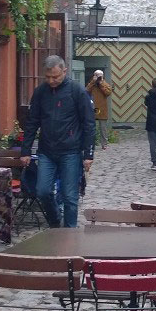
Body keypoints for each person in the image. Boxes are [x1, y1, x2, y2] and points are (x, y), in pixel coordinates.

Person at [21, 55, 95, 227]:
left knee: (70, 196)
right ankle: (55, 222)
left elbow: (89, 124)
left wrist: (88, 154)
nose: (51, 80)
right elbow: (32, 122)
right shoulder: (40, 92)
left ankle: (69, 234)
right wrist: (25, 150)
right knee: (42, 191)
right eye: (47, 77)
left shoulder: (77, 91)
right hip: (47, 151)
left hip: (71, 151)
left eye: (55, 77)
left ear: (64, 71)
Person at [86, 70, 114, 150]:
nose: (98, 77)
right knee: (91, 127)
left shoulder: (105, 84)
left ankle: (104, 144)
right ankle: (91, 143)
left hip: (102, 108)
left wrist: (101, 83)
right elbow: (86, 90)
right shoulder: (92, 84)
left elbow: (108, 93)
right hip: (93, 108)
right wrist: (93, 81)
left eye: (99, 76)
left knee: (103, 128)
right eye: (96, 75)